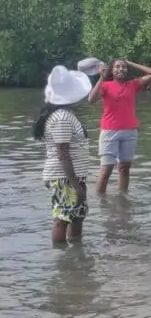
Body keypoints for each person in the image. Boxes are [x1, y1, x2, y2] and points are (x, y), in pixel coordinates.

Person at [34, 66, 93, 245]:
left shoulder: (62, 115)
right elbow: (63, 153)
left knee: (76, 214)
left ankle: (74, 255)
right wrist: (76, 185)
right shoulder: (62, 117)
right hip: (64, 177)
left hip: (69, 176)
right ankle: (62, 261)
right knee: (63, 217)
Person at [87, 58, 151, 194]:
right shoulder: (105, 85)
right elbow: (91, 99)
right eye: (117, 67)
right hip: (109, 131)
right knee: (106, 170)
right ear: (112, 70)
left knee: (125, 168)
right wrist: (101, 77)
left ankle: (122, 199)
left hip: (130, 131)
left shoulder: (132, 85)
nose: (121, 69)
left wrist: (130, 63)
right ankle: (101, 203)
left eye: (124, 67)